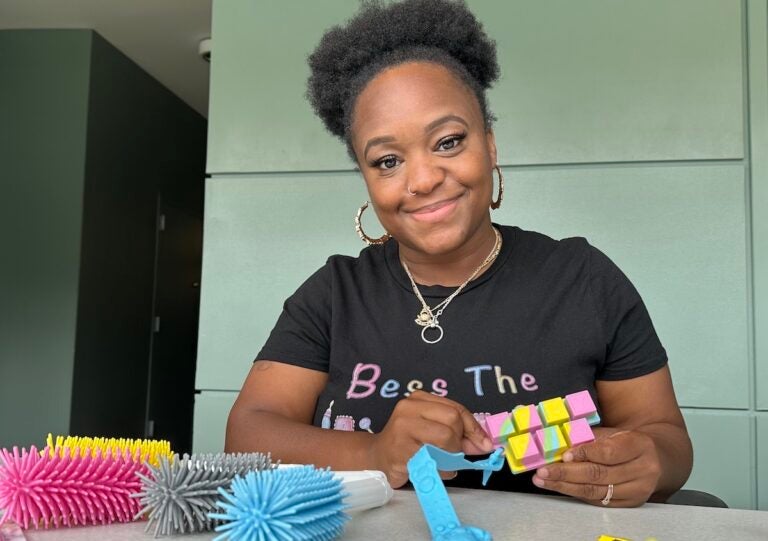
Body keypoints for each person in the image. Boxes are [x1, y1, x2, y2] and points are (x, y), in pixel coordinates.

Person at [225, 0, 692, 508]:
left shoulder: (582, 279)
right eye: (387, 160)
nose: (423, 180)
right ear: (365, 177)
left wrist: (647, 460)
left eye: (448, 142)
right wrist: (377, 450)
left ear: (490, 146)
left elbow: (667, 440)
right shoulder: (335, 293)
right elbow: (247, 434)